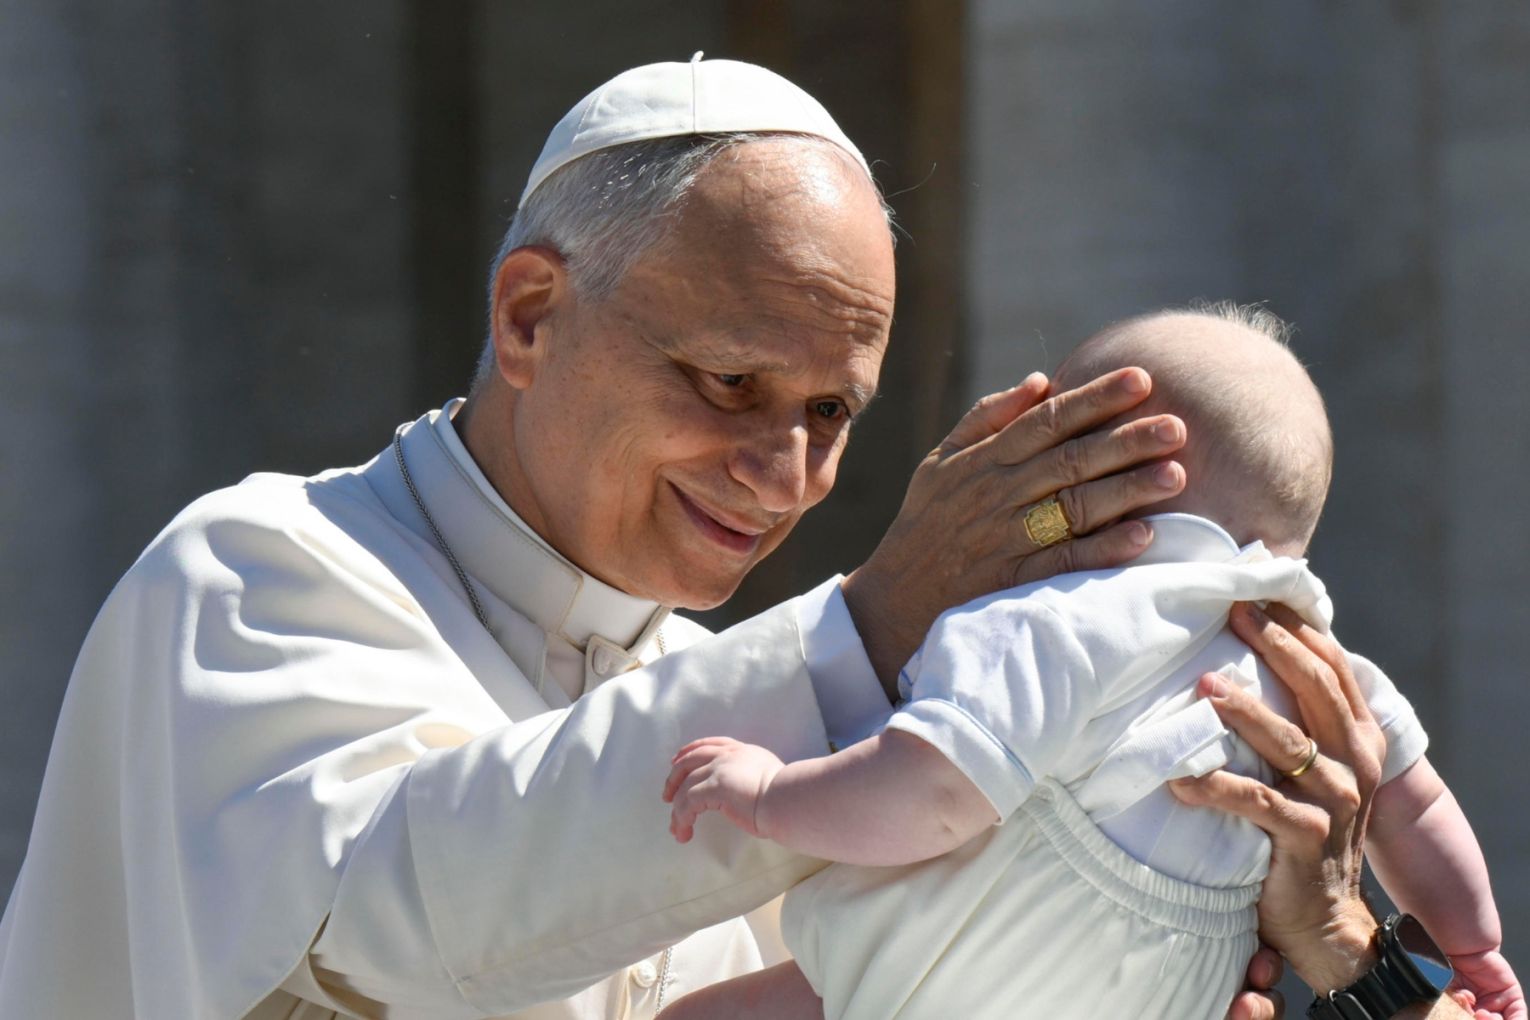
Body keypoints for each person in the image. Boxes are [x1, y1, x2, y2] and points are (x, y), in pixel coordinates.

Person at [0, 56, 1388, 1020]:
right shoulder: (252, 574)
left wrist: (1304, 943)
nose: (784, 474)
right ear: (532, 314)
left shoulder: (782, 718)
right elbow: (404, 929)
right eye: (728, 385)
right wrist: (883, 622)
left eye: (832, 411)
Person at [664, 306, 1521, 1019]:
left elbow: (930, 793)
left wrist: (770, 794)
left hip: (955, 961)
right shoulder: (1323, 670)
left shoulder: (1058, 620)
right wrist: (1470, 950)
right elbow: (1417, 808)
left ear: (1092, 472)